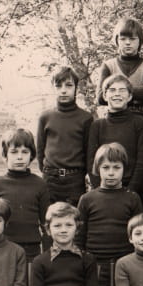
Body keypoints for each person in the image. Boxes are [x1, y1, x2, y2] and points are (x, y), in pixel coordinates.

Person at [76, 143, 143, 286]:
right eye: (106, 167)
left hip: (124, 268)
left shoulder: (132, 199)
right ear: (97, 169)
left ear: (124, 169)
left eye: (116, 167)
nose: (111, 173)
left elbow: (139, 234)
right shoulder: (87, 199)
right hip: (96, 268)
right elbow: (79, 238)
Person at [0, 128, 49, 260]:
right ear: (5, 155)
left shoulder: (40, 184)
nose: (20, 157)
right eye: (14, 152)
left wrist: (48, 257)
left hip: (31, 251)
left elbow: (46, 224)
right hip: (1, 249)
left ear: (31, 155)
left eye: (25, 152)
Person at [87, 74, 143, 206]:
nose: (117, 94)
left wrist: (130, 193)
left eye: (122, 90)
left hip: (133, 193)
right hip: (104, 192)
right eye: (112, 90)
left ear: (130, 96)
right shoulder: (97, 126)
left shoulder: (139, 123)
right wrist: (100, 190)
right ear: (105, 96)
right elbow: (92, 162)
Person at [36, 66, 93, 205]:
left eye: (68, 85)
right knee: (49, 217)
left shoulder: (86, 118)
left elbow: (89, 153)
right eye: (58, 86)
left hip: (74, 182)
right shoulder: (45, 117)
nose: (63, 90)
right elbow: (40, 151)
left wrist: (78, 175)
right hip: (50, 180)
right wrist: (49, 172)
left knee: (73, 216)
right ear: (53, 88)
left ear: (76, 88)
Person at [96, 17, 143, 121]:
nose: (127, 43)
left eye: (132, 39)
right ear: (117, 41)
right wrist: (141, 93)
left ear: (140, 41)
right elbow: (100, 97)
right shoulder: (108, 66)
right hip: (114, 121)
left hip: (141, 122)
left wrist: (114, 93)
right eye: (123, 39)